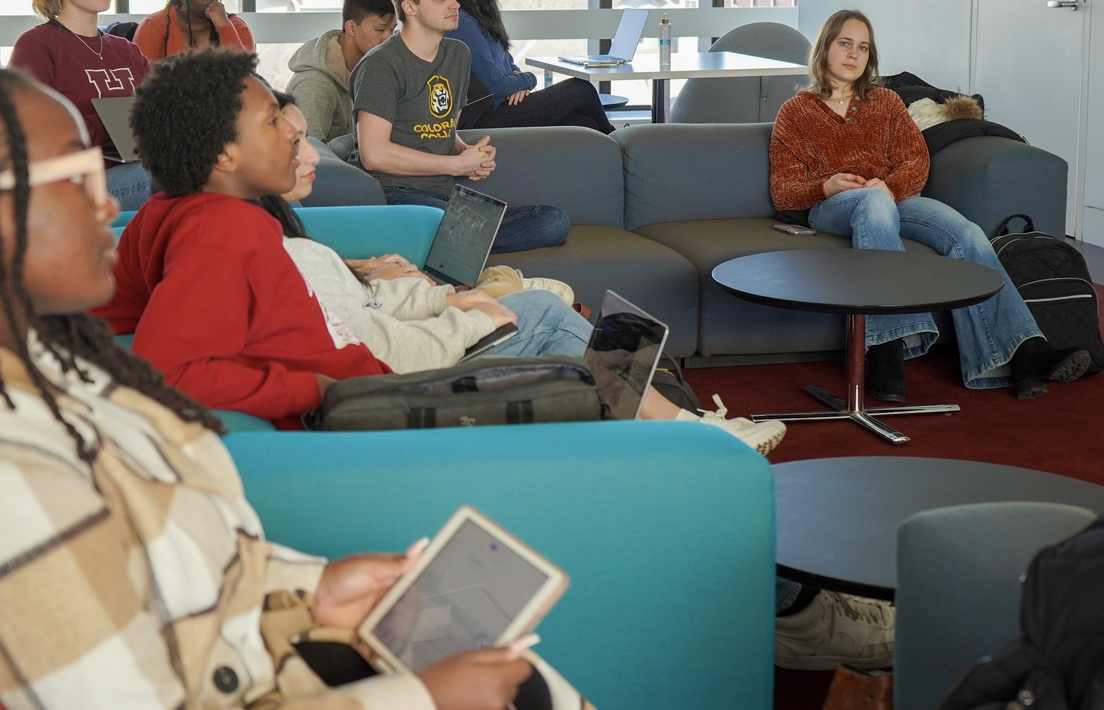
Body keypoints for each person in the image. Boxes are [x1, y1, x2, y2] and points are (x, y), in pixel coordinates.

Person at [0, 62, 576, 710]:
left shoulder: (37, 373)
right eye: (77, 181)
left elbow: (163, 567)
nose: (110, 206)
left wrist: (308, 591)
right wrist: (422, 700)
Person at [266, 90, 788, 453]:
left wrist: (431, 296)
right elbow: (384, 347)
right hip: (405, 374)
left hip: (409, 338)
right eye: (295, 142)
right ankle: (684, 429)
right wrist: (468, 312)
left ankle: (646, 430)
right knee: (545, 310)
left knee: (562, 317)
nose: (310, 153)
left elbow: (364, 314)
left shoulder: (285, 242)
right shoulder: (281, 255)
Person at [768, 9, 1091, 401]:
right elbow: (784, 190)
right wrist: (827, 184)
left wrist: (887, 187)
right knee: (871, 202)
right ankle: (887, 348)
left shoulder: (886, 102)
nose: (854, 54)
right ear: (825, 48)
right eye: (845, 44)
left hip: (896, 199)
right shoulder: (795, 111)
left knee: (968, 234)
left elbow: (916, 162)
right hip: (834, 207)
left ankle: (1025, 351)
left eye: (863, 47)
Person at [97, 48, 398, 427]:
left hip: (371, 395)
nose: (291, 132)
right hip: (362, 417)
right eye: (272, 122)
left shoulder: (180, 209)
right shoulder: (220, 230)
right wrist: (317, 389)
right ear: (224, 155)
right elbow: (166, 371)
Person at [349, 0, 569, 254]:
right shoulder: (381, 65)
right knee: (446, 225)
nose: (455, 5)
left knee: (553, 220)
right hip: (394, 194)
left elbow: (441, 131)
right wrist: (456, 165)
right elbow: (373, 154)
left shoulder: (457, 55)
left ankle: (453, 243)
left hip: (444, 194)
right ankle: (452, 242)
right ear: (409, 7)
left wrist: (467, 153)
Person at [8, 0, 153, 212]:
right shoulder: (37, 46)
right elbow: (34, 138)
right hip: (69, 189)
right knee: (164, 178)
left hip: (137, 168)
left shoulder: (127, 50)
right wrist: (111, 125)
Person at [444, 0, 614, 134]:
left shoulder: (481, 16)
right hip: (496, 113)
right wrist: (529, 79)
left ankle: (612, 152)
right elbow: (495, 85)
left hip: (510, 102)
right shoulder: (463, 23)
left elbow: (509, 64)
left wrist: (516, 85)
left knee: (586, 124)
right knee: (581, 90)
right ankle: (620, 147)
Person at [287, 0, 398, 142]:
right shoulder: (314, 84)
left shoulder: (377, 68)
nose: (388, 38)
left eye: (392, 30)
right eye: (380, 30)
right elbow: (307, 152)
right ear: (351, 28)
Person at [133, 0, 254, 61]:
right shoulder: (154, 25)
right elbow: (140, 78)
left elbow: (248, 80)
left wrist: (224, 26)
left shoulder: (237, 26)